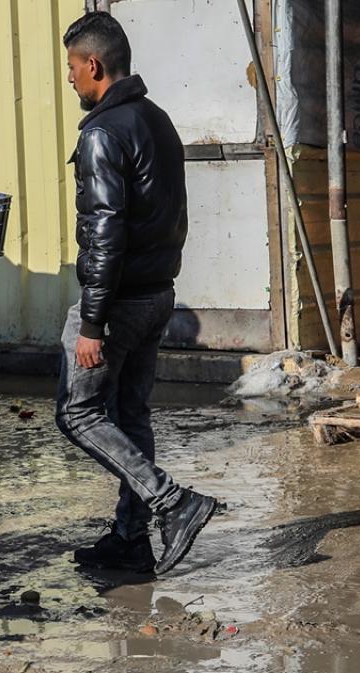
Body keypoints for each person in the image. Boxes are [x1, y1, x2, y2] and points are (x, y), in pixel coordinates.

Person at [56, 11, 218, 575]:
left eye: (72, 67)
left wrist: (93, 325)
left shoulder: (103, 132)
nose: (70, 78)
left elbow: (105, 234)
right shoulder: (157, 119)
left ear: (93, 64)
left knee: (77, 414)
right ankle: (130, 539)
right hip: (157, 294)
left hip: (118, 302)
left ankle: (175, 502)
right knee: (128, 413)